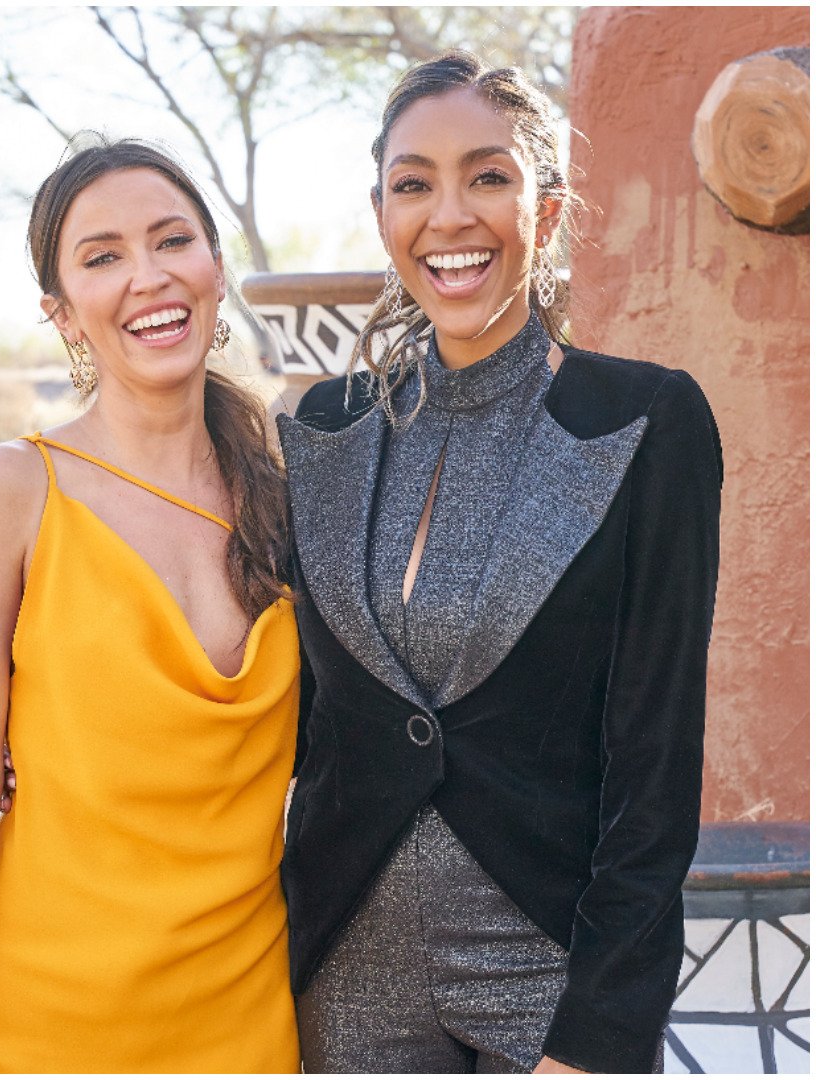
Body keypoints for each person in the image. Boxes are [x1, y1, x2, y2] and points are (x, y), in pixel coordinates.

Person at [277, 52, 721, 1074]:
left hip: (551, 973)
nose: (450, 216)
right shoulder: (319, 432)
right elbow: (284, 703)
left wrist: (603, 1031)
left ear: (549, 210)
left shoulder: (646, 420)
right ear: (382, 213)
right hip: (345, 971)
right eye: (414, 184)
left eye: (488, 177)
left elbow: (655, 764)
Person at [0, 137, 299, 1073]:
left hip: (247, 1019)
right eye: (103, 257)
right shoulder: (7, 489)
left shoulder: (292, 483)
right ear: (63, 314)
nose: (149, 277)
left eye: (174, 241)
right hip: (44, 1018)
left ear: (215, 267)